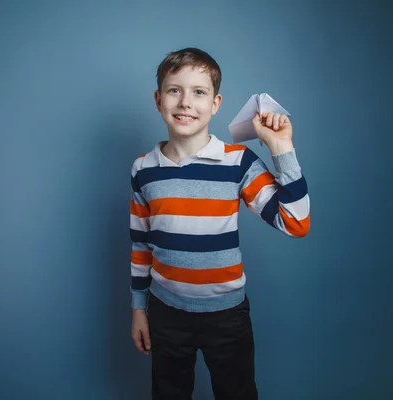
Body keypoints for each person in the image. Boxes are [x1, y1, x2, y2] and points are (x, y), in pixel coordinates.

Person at [129, 47, 310, 399]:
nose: (185, 102)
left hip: (226, 317)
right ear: (158, 99)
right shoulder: (142, 168)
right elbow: (140, 243)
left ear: (215, 103)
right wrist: (139, 309)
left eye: (199, 92)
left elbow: (296, 223)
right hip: (165, 313)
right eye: (174, 90)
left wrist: (281, 148)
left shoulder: (238, 162)